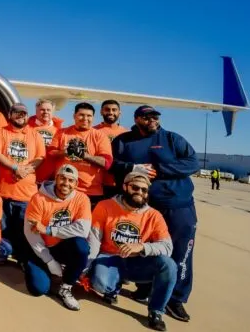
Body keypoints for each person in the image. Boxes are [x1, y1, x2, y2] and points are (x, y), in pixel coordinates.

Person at [110, 105, 200, 323]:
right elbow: (114, 165)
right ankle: (145, 286)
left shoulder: (172, 139)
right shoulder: (123, 141)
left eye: (155, 117)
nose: (152, 120)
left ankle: (175, 298)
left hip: (178, 205)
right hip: (144, 207)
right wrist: (133, 167)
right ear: (137, 119)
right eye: (147, 117)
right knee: (143, 247)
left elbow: (193, 163)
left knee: (181, 251)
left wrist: (159, 169)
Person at [87, 172, 177, 331]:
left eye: (144, 190)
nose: (140, 192)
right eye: (135, 187)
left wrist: (142, 247)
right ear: (125, 187)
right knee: (99, 284)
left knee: (168, 265)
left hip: (138, 262)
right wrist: (85, 268)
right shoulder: (105, 206)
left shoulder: (154, 215)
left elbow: (167, 247)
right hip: (110, 258)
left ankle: (156, 311)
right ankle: (114, 287)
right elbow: (94, 240)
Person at [23, 164, 91, 311]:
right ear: (56, 178)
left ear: (76, 183)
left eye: (71, 180)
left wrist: (49, 230)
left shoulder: (82, 199)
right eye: (62, 178)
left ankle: (66, 287)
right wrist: (49, 261)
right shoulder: (38, 198)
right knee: (38, 289)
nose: (66, 183)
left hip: (62, 246)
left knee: (82, 247)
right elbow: (31, 234)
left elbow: (83, 230)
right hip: (41, 247)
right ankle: (41, 269)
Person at [0, 102, 45, 264]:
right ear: (10, 115)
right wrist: (15, 167)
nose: (21, 116)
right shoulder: (1, 132)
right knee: (2, 227)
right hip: (2, 191)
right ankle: (1, 255)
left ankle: (21, 258)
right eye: (17, 113)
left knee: (23, 229)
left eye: (24, 114)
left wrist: (24, 171)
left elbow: (40, 157)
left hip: (26, 194)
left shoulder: (35, 135)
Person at [48, 102, 112, 208]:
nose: (85, 118)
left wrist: (83, 155)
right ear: (74, 116)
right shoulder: (62, 133)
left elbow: (107, 163)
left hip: (90, 191)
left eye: (89, 116)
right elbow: (50, 153)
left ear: (93, 117)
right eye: (81, 115)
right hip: (63, 189)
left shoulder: (100, 136)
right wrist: (65, 152)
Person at [94, 99, 129, 198]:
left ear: (119, 113)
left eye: (114, 110)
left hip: (120, 182)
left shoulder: (127, 133)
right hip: (97, 182)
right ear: (101, 112)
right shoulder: (93, 131)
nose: (110, 112)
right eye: (107, 109)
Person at [29, 99, 64, 183]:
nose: (45, 112)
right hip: (30, 173)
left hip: (51, 177)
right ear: (36, 111)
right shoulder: (26, 127)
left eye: (48, 110)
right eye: (42, 110)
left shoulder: (60, 130)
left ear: (53, 112)